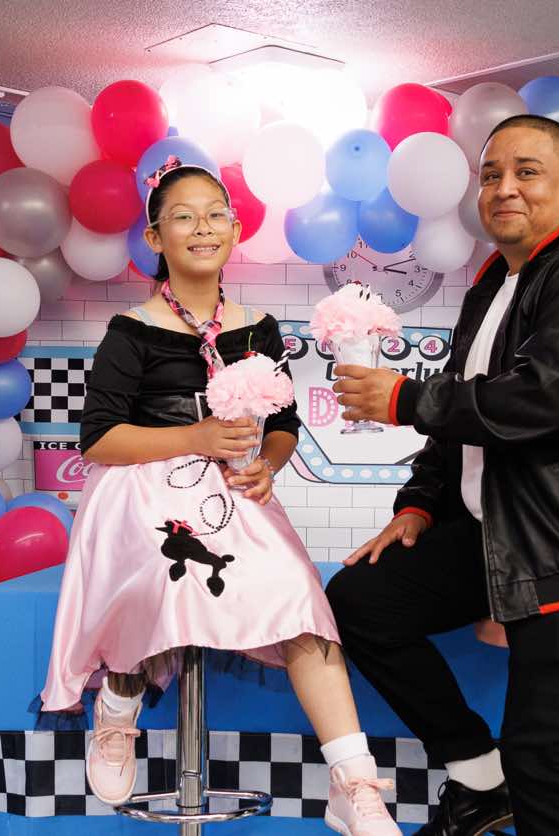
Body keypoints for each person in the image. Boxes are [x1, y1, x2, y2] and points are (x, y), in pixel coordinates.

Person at [326, 115, 559, 836]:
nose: (505, 188)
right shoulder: (495, 284)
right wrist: (420, 505)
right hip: (511, 532)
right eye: (492, 174)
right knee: (364, 602)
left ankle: (508, 783)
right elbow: (467, 418)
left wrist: (404, 399)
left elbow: (546, 401)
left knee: (548, 765)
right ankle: (478, 778)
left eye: (527, 172)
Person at [39, 156, 401, 836]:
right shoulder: (131, 329)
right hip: (140, 487)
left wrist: (268, 464)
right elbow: (99, 440)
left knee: (301, 596)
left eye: (215, 215)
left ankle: (354, 785)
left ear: (235, 231)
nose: (202, 227)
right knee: (164, 578)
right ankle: (118, 704)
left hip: (232, 488)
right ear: (156, 238)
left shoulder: (259, 327)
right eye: (183, 216)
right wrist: (195, 436)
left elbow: (285, 425)